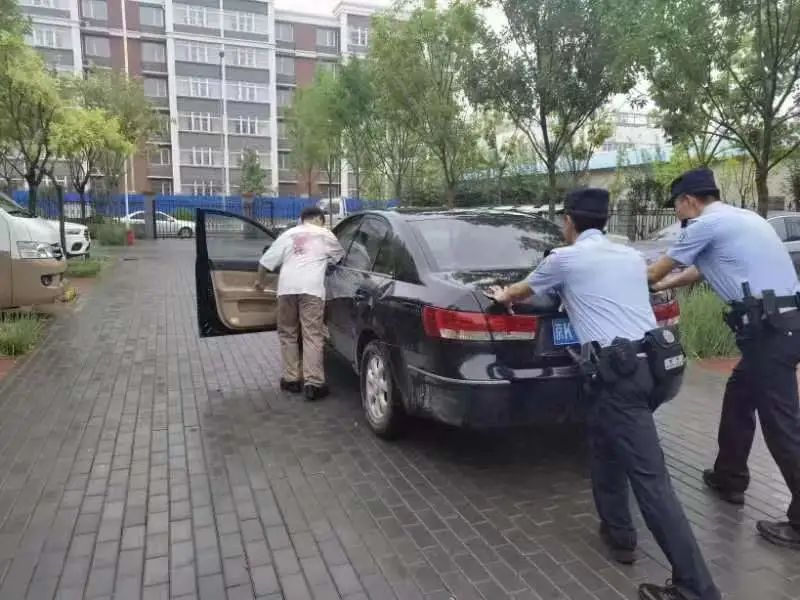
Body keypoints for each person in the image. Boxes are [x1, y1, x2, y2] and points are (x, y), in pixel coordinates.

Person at [489, 188, 720, 600]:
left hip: (620, 377)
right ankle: (619, 533)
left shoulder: (564, 259)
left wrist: (501, 295)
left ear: (569, 222)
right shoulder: (629, 256)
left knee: (651, 481)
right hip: (654, 368)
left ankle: (696, 587)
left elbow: (518, 293)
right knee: (603, 444)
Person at [648, 167, 800, 550]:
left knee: (782, 425)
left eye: (676, 205)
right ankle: (729, 476)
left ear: (688, 200)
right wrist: (666, 284)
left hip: (770, 333)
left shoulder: (704, 225)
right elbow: (697, 271)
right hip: (781, 324)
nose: (676, 213)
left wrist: (635, 282)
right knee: (738, 395)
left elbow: (656, 270)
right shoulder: (741, 219)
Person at [257, 207, 344, 401]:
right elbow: (340, 259)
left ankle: (291, 380)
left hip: (286, 290)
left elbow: (264, 263)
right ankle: (313, 384)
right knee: (312, 335)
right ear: (320, 219)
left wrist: (259, 283)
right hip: (311, 290)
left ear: (302, 219)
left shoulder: (288, 234)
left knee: (288, 333)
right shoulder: (325, 234)